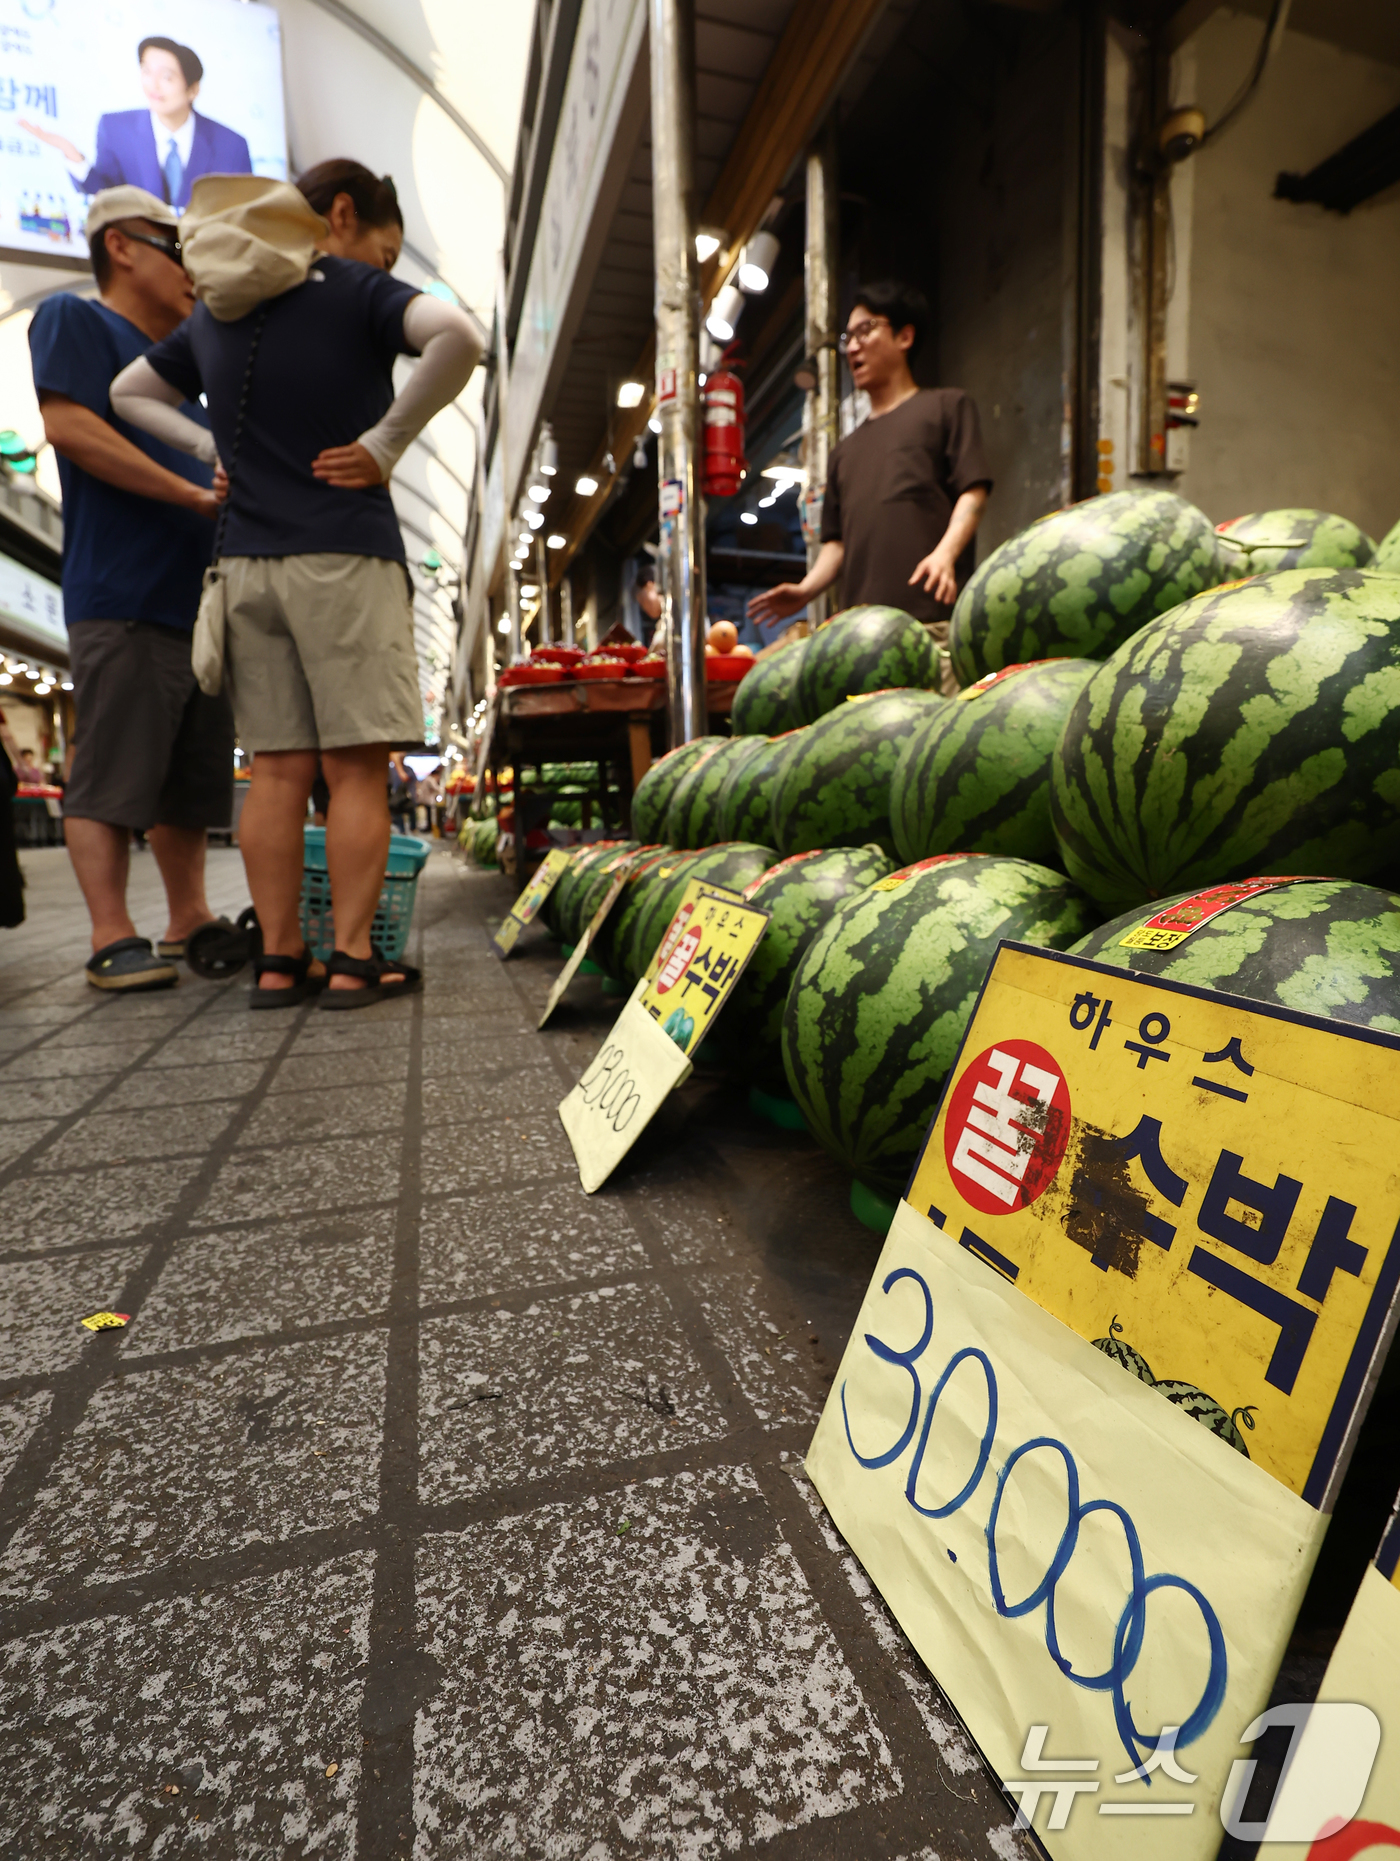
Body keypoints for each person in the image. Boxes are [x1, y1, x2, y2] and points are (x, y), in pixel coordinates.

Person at [112, 162, 483, 1008]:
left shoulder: (216, 310)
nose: (384, 266)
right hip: (344, 556)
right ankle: (354, 957)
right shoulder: (352, 289)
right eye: (385, 250)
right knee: (354, 767)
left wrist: (211, 450)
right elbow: (458, 335)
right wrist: (386, 443)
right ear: (342, 215)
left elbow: (128, 391)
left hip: (245, 565)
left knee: (276, 770)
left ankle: (280, 960)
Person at [28, 184, 232, 992]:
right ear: (121, 245)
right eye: (178, 247)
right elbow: (70, 428)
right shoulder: (77, 321)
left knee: (189, 778)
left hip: (197, 605)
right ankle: (111, 932)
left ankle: (189, 917)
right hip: (121, 592)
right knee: (112, 771)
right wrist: (188, 494)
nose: (194, 269)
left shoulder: (187, 379)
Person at [748, 281, 992, 690]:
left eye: (866, 331)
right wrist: (806, 589)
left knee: (934, 746)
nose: (852, 348)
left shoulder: (947, 407)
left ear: (904, 336)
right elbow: (837, 543)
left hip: (932, 627)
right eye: (848, 338)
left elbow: (974, 490)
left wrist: (945, 555)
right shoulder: (844, 452)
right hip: (861, 641)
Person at [20, 37, 251, 212]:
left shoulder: (232, 146)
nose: (153, 85)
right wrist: (72, 155)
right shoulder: (115, 129)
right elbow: (107, 196)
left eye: (167, 77)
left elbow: (241, 217)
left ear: (193, 89)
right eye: (147, 71)